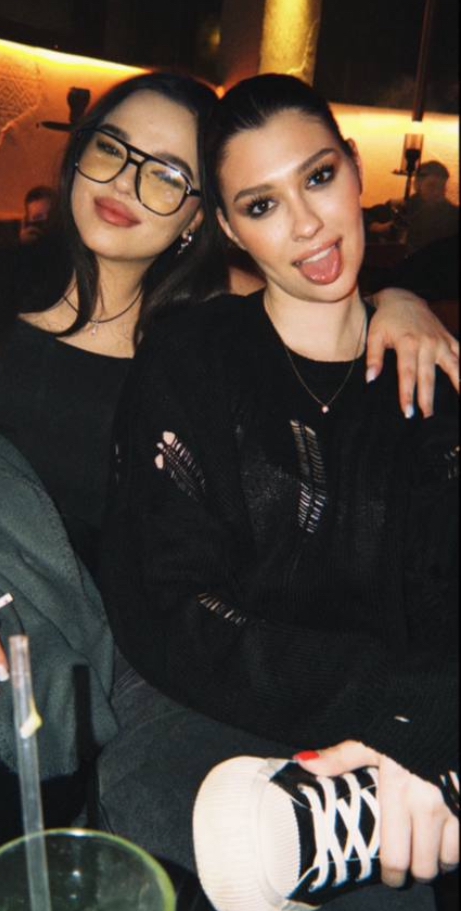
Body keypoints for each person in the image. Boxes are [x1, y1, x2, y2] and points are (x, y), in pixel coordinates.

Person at [0, 68, 456, 911]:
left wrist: (400, 301)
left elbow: (314, 283)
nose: (126, 183)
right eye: (111, 150)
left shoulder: (193, 337)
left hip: (99, 666)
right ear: (77, 156)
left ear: (198, 219)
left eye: (167, 173)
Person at [97, 74, 459, 911]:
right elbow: (169, 604)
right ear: (227, 229)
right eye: (260, 205)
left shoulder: (431, 376)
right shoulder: (192, 357)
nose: (304, 224)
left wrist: (427, 725)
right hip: (215, 711)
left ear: (355, 171)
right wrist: (406, 708)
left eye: (318, 177)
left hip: (406, 728)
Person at [364, 160, 458, 254]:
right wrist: (378, 227)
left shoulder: (453, 215)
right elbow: (361, 216)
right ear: (417, 184)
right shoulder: (404, 206)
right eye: (431, 186)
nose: (437, 192)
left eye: (442, 187)